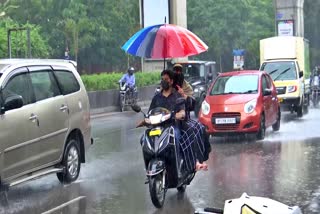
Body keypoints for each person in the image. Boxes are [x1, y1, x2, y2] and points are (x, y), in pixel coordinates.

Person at [173, 64, 211, 171]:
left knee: (197, 130)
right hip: (167, 120)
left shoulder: (187, 87)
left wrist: (183, 95)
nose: (177, 73)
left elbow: (191, 104)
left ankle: (196, 160)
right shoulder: (166, 87)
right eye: (175, 70)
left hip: (183, 119)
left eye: (179, 71)